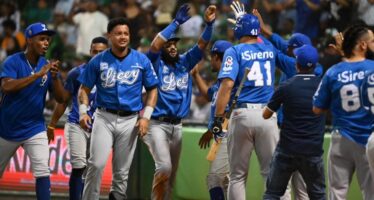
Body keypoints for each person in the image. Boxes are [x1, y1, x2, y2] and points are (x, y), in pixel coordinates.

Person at [78, 17, 159, 200]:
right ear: (109, 36)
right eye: (118, 33)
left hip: (130, 120)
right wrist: (83, 112)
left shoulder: (141, 60)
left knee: (122, 172)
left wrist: (146, 117)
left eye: (126, 33)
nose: (123, 37)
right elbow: (84, 89)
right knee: (96, 165)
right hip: (104, 117)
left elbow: (153, 89)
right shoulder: (98, 60)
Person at [143, 4, 216, 200]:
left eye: (174, 44)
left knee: (171, 176)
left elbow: (201, 45)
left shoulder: (185, 62)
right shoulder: (155, 63)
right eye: (169, 45)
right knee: (164, 167)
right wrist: (175, 23)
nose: (173, 46)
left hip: (177, 126)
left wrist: (209, 25)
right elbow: (155, 45)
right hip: (156, 123)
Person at [211, 12, 282, 200]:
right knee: (271, 174)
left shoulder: (234, 51)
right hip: (267, 114)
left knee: (237, 176)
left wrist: (218, 118)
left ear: (239, 30)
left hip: (242, 114)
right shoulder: (269, 48)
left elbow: (226, 86)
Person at [0, 22, 65, 200]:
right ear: (29, 40)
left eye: (48, 40)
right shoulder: (13, 61)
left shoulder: (47, 65)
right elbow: (6, 87)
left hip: (34, 128)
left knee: (43, 170)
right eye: (42, 39)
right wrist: (36, 76)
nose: (46, 43)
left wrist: (55, 78)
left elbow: (60, 98)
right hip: (6, 128)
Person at [313, 25, 374, 200]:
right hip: (368, 139)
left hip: (341, 138)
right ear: (362, 45)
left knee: (337, 193)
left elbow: (317, 108)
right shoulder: (372, 68)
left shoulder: (333, 72)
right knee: (370, 193)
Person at [47, 36, 108, 200]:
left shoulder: (113, 75)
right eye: (94, 51)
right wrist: (52, 125)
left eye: (101, 52)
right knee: (79, 166)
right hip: (76, 124)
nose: (97, 55)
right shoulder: (77, 72)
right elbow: (63, 100)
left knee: (94, 168)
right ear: (89, 51)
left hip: (101, 127)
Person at [262, 44, 326, 199]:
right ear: (315, 66)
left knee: (272, 194)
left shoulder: (286, 86)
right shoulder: (323, 85)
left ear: (297, 64)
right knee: (318, 195)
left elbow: (266, 114)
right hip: (313, 150)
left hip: (287, 149)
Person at [191, 40, 233, 199]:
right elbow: (209, 95)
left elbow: (227, 113)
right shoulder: (222, 81)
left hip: (227, 134)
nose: (210, 62)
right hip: (222, 135)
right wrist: (195, 75)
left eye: (211, 58)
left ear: (216, 56)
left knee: (217, 178)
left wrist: (210, 131)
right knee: (223, 180)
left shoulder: (229, 81)